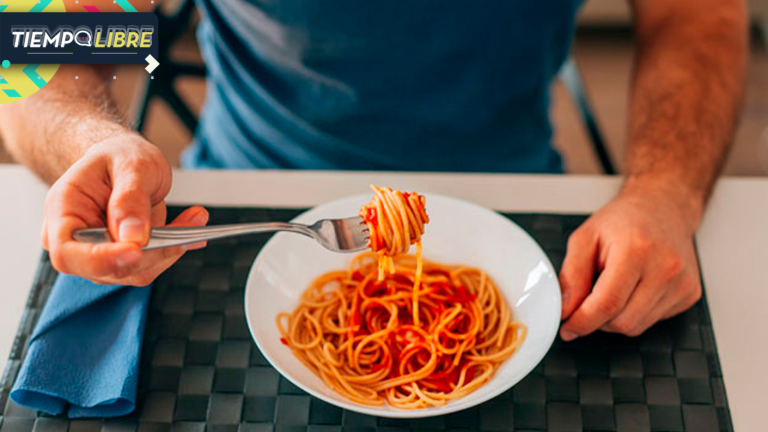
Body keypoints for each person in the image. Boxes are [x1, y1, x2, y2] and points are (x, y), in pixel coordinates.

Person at [0, 0, 747, 341]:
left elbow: (694, 15)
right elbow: (47, 35)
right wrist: (91, 139)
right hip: (221, 220)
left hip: (525, 209)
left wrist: (664, 191)